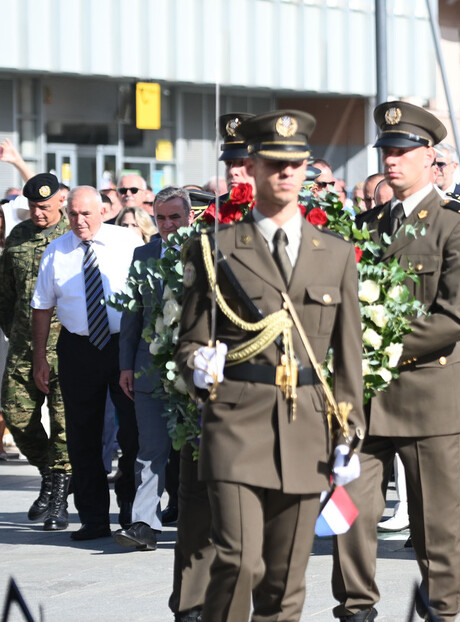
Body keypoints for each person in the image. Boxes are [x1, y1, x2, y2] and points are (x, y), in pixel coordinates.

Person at [175, 110, 364, 621]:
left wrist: (350, 432)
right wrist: (198, 365)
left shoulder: (336, 255)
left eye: (295, 164)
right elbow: (188, 343)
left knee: (284, 582)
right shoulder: (216, 249)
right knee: (237, 562)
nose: (285, 173)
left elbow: (347, 359)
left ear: (306, 170)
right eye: (274, 163)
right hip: (236, 424)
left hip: (306, 431)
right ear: (252, 169)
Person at [333, 101, 460, 622]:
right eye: (386, 151)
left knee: (435, 521)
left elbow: (458, 317)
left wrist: (379, 348)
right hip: (368, 400)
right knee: (350, 510)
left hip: (427, 393)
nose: (391, 161)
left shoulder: (458, 224)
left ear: (430, 157)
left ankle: (440, 609)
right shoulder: (369, 224)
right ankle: (355, 606)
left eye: (402, 151)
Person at [169, 112, 255, 622]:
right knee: (196, 505)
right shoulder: (205, 226)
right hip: (207, 391)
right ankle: (189, 606)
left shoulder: (295, 227)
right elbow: (178, 307)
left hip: (265, 395)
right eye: (232, 164)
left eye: (245, 163)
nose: (237, 174)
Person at [31, 186, 142, 540]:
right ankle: (94, 518)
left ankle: (130, 510)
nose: (79, 221)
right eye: (74, 214)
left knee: (133, 431)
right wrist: (39, 359)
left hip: (122, 345)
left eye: (87, 214)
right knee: (83, 435)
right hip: (78, 348)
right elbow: (42, 307)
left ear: (103, 212)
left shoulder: (128, 243)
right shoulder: (57, 250)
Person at [115, 187, 193, 553]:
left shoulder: (205, 251)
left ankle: (200, 521)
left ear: (188, 217)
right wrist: (126, 366)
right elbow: (133, 313)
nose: (167, 225)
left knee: (198, 451)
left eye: (174, 217)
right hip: (149, 370)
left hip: (195, 371)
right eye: (161, 218)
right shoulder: (143, 254)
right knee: (150, 451)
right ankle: (145, 522)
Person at [0, 174, 71, 530]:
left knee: (63, 424)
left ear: (61, 199)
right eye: (32, 207)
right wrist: (14, 332)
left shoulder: (74, 235)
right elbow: (6, 294)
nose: (38, 213)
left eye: (44, 206)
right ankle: (48, 471)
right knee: (16, 413)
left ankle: (59, 493)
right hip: (23, 343)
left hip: (65, 346)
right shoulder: (19, 236)